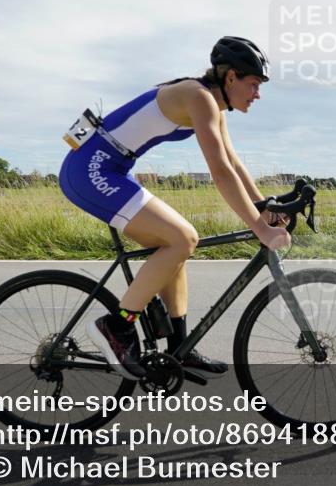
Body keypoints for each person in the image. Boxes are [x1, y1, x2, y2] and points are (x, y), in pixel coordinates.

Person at [58, 36, 291, 380]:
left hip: (111, 168)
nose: (258, 93)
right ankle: (117, 326)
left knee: (177, 246)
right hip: (90, 169)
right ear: (230, 78)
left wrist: (266, 209)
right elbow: (220, 171)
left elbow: (234, 162)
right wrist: (260, 228)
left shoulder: (212, 103)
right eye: (254, 84)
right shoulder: (198, 96)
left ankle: (179, 349)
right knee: (183, 238)